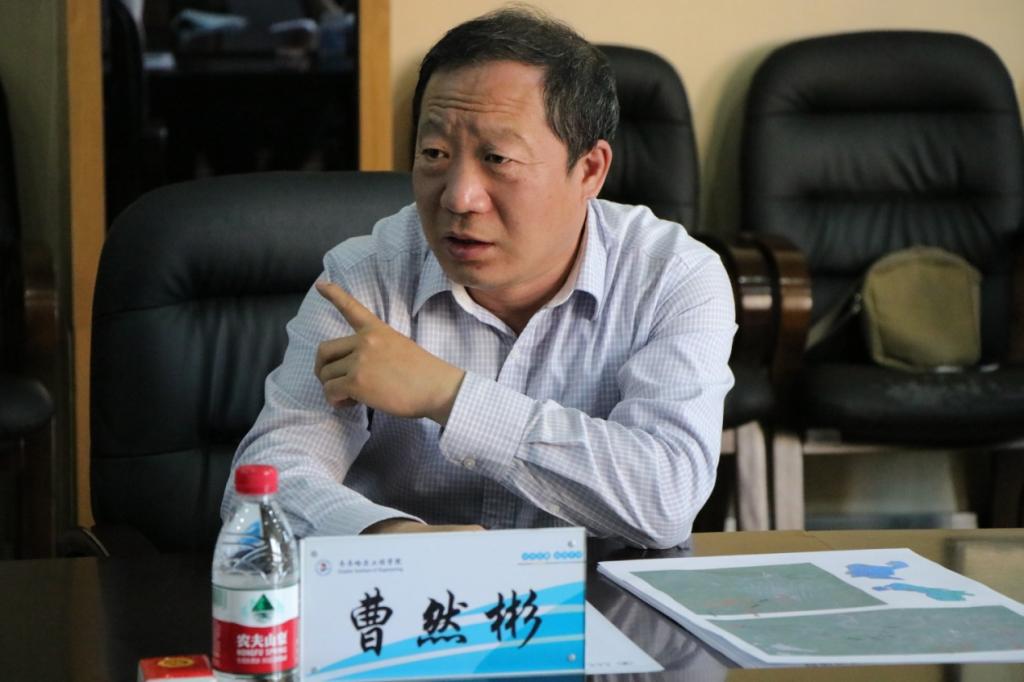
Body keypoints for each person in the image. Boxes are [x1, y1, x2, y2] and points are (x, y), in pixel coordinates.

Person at [222, 7, 735, 549]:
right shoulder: (364, 276)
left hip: (593, 594)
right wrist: (390, 538)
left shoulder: (672, 277)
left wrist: (448, 395)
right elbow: (263, 487)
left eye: (497, 158)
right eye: (434, 153)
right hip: (405, 592)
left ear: (589, 170)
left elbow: (667, 498)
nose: (458, 197)